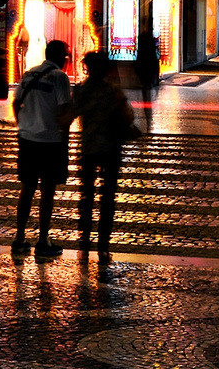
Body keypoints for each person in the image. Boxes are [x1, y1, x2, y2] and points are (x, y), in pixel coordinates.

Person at [11, 39, 74, 261]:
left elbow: (15, 103)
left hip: (27, 140)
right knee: (47, 191)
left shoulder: (29, 73)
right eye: (66, 56)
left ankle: (19, 238)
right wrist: (65, 144)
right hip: (50, 141)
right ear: (60, 58)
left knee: (27, 189)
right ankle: (43, 239)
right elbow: (63, 112)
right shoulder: (59, 78)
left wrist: (24, 126)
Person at [71, 51, 136, 262]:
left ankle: (84, 245)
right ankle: (103, 247)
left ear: (87, 68)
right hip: (111, 149)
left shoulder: (81, 91)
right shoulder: (113, 91)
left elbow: (69, 115)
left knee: (86, 197)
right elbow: (128, 116)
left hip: (88, 148)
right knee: (107, 199)